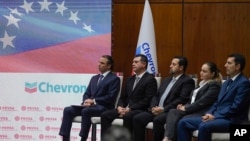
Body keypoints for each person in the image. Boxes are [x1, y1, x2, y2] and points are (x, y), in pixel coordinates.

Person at [178, 53, 250, 141]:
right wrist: (210, 113)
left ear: (238, 66)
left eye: (229, 63)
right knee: (183, 123)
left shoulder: (243, 83)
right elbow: (217, 102)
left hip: (232, 120)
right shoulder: (226, 82)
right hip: (217, 117)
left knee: (204, 126)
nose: (225, 65)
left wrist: (215, 116)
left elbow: (236, 107)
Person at [59, 55, 121, 141]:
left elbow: (111, 97)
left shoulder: (114, 79)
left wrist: (94, 101)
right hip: (89, 106)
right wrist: (86, 101)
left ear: (109, 66)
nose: (99, 64)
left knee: (86, 111)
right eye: (99, 62)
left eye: (102, 63)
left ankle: (83, 138)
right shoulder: (94, 78)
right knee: (68, 110)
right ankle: (65, 138)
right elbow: (87, 93)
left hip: (103, 107)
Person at [133, 56, 195, 141]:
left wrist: (163, 109)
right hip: (156, 110)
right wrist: (153, 107)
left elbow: (182, 99)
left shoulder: (187, 81)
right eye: (171, 64)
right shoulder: (166, 80)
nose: (170, 66)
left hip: (169, 111)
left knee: (158, 120)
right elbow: (156, 95)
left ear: (181, 67)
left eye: (174, 64)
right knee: (138, 118)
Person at [100, 54, 157, 137]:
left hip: (140, 109)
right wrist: (119, 107)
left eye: (136, 62)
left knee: (128, 116)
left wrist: (130, 109)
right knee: (105, 115)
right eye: (133, 62)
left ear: (144, 64)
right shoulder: (130, 79)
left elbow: (147, 99)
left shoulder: (150, 79)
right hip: (125, 109)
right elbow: (123, 97)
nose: (132, 64)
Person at [162, 62, 222, 141]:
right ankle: (167, 138)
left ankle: (168, 138)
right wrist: (183, 105)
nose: (201, 73)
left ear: (212, 74)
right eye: (201, 70)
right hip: (192, 109)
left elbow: (202, 102)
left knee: (180, 120)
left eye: (205, 71)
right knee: (173, 111)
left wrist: (186, 108)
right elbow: (192, 100)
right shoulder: (202, 84)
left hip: (201, 112)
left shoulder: (214, 85)